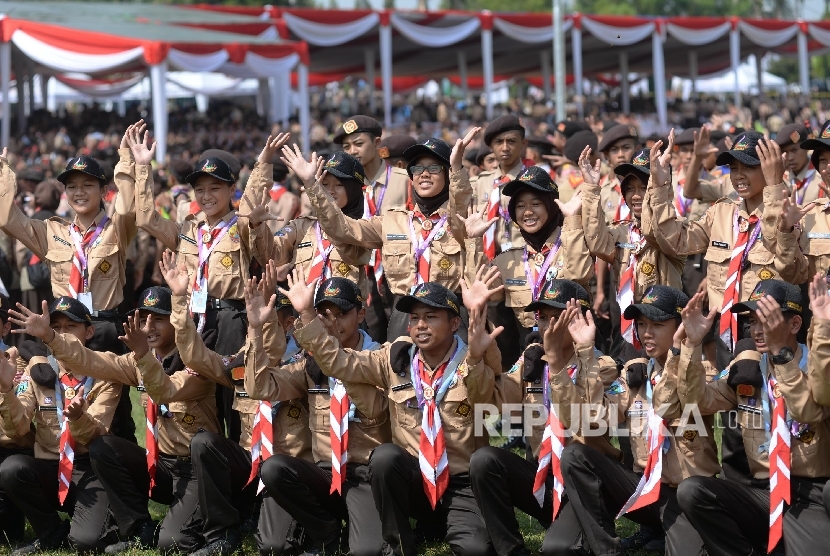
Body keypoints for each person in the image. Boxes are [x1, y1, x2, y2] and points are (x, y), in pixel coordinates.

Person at [286, 267, 503, 556]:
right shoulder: (395, 358)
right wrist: (309, 317)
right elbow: (339, 363)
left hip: (458, 483)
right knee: (386, 457)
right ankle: (397, 546)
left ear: (454, 324)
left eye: (431, 317)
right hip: (411, 481)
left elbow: (489, 403)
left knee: (475, 550)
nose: (421, 325)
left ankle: (443, 524)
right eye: (414, 318)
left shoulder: (471, 360)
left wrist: (477, 346)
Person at [10, 286, 219, 554]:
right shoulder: (137, 361)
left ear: (176, 322)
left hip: (193, 470)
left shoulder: (195, 361)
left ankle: (222, 525)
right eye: (142, 320)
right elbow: (91, 360)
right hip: (159, 466)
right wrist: (50, 337)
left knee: (173, 543)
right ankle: (138, 528)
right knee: (103, 448)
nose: (148, 327)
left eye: (157, 319)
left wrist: (142, 355)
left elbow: (164, 389)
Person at [136, 133, 289, 442]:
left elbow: (257, 223)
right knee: (193, 399)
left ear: (231, 189)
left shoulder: (241, 226)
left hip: (230, 321)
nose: (206, 196)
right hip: (193, 321)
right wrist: (142, 167)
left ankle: (239, 460)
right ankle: (203, 461)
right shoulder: (188, 229)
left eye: (215, 188)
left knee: (235, 397)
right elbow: (147, 218)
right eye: (200, 189)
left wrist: (263, 164)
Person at [0, 123, 145, 443]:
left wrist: (125, 158)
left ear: (102, 191)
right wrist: (4, 172)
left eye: (88, 185)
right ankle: (68, 472)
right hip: (64, 329)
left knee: (114, 417)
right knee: (62, 402)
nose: (79, 192)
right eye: (72, 186)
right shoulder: (53, 232)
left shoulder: (115, 230)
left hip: (104, 329)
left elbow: (129, 207)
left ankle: (121, 477)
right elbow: (9, 219)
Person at [159, 252, 310, 556]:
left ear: (289, 323)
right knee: (204, 443)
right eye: (252, 320)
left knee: (274, 546)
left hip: (286, 472)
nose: (256, 326)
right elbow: (196, 357)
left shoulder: (305, 364)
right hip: (249, 465)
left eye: (266, 320)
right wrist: (178, 299)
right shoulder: (242, 362)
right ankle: (221, 533)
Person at [556, 285, 717, 556]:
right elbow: (595, 420)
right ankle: (607, 550)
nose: (647, 333)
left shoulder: (704, 375)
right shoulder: (634, 375)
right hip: (645, 493)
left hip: (687, 496)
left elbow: (674, 404)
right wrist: (585, 351)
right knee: (576, 456)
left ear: (681, 326)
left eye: (657, 324)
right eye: (641, 324)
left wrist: (681, 351)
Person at [676, 279, 830, 556]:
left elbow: (807, 412)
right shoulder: (747, 366)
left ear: (795, 325)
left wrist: (781, 357)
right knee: (693, 491)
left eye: (766, 320)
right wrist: (693, 346)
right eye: (751, 321)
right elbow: (695, 403)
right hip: (764, 490)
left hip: (809, 494)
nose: (756, 330)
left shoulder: (818, 369)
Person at [245, 271, 390, 555]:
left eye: (342, 313)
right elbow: (261, 387)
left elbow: (376, 410)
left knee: (367, 551)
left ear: (361, 315)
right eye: (324, 313)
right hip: (323, 473)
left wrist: (324, 349)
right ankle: (325, 530)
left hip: (363, 474)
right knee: (273, 539)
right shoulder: (308, 366)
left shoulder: (380, 359)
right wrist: (255, 330)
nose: (332, 321)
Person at [470, 280, 619, 556]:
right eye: (542, 317)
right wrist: (477, 359)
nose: (548, 325)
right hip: (544, 479)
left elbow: (585, 420)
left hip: (585, 486)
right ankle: (510, 550)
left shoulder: (601, 366)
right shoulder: (532, 364)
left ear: (579, 320)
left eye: (557, 316)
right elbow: (486, 402)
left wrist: (556, 362)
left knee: (558, 549)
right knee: (484, 461)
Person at [296, 132, 478, 341]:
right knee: (398, 371)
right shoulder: (393, 221)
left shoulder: (460, 220)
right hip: (404, 315)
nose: (424, 174)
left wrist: (457, 169)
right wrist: (313, 187)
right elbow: (343, 229)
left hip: (449, 312)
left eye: (434, 168)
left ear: (447, 175)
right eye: (417, 168)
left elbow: (461, 207)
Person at [642, 130, 807, 352]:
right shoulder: (721, 213)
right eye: (734, 168)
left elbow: (793, 272)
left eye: (748, 167)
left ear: (768, 169)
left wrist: (775, 187)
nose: (739, 175)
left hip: (765, 326)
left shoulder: (788, 213)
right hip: (723, 325)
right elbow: (675, 240)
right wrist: (660, 186)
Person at [0, 297, 121, 555]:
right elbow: (19, 428)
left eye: (71, 327)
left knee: (87, 543)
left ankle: (102, 520)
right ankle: (51, 531)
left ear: (89, 331)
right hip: (48, 467)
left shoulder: (105, 373)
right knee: (12, 469)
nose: (61, 334)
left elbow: (97, 433)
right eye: (56, 327)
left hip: (86, 469)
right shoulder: (38, 370)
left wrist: (79, 418)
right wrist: (6, 390)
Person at [462, 166, 590, 349]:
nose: (527, 212)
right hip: (528, 354)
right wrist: (474, 240)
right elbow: (481, 291)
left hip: (573, 350)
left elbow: (579, 276)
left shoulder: (572, 244)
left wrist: (572, 220)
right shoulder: (508, 260)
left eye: (536, 204)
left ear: (551, 206)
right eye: (520, 206)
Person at [580, 145, 685, 357]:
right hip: (628, 328)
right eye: (630, 188)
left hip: (662, 328)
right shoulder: (621, 231)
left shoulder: (675, 228)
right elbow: (596, 243)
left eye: (644, 187)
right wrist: (591, 189)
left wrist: (659, 192)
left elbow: (655, 230)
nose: (636, 196)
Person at [252, 151, 371, 302]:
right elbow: (271, 255)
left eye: (339, 185)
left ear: (353, 190)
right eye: (324, 184)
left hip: (344, 317)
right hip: (305, 315)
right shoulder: (303, 225)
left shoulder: (363, 227)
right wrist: (257, 226)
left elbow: (339, 230)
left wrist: (313, 188)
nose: (330, 191)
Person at [472, 115, 528, 257]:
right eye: (498, 142)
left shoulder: (533, 180)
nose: (505, 148)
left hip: (522, 260)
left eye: (511, 141)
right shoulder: (481, 182)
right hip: (487, 260)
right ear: (491, 147)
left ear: (523, 144)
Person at [776, 123, 823, 205]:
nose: (790, 157)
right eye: (785, 152)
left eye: (794, 150)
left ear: (806, 148)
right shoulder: (782, 180)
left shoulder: (822, 178)